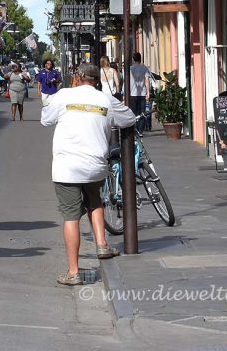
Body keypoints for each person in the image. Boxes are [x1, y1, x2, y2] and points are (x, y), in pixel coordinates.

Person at [42, 62, 139, 286]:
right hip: (95, 164)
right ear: (96, 80)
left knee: (71, 216)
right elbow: (129, 119)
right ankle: (102, 244)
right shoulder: (106, 99)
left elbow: (46, 119)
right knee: (95, 202)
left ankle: (73, 271)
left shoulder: (64, 95)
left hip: (67, 166)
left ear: (77, 77)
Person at [127, 53, 155, 134]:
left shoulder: (130, 69)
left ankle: (135, 129)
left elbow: (127, 81)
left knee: (133, 113)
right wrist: (148, 92)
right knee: (142, 113)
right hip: (142, 93)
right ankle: (140, 130)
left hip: (132, 94)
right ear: (140, 59)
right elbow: (147, 80)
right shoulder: (144, 68)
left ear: (133, 59)